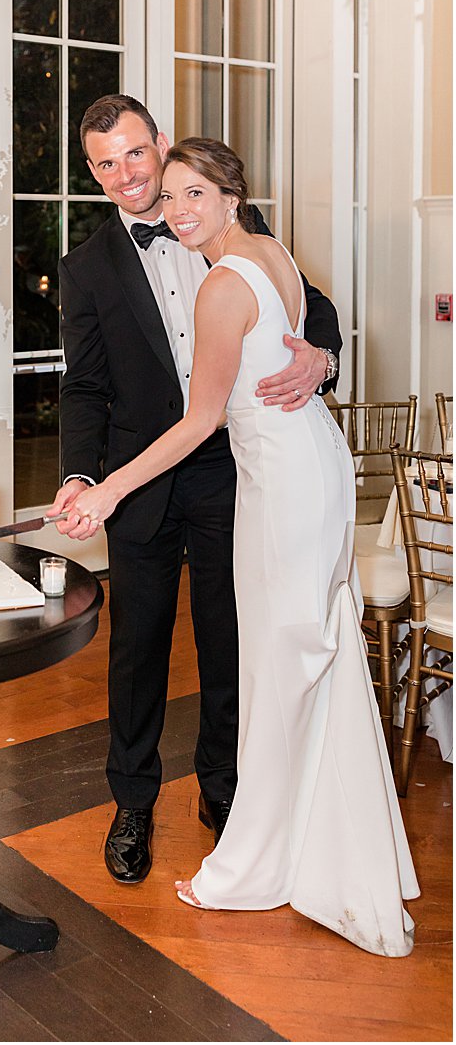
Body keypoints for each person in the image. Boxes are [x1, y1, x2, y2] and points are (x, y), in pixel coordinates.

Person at [58, 138, 417, 955]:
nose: (176, 207)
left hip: (262, 480)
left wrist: (107, 489)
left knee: (269, 659)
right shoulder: (268, 249)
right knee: (291, 651)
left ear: (229, 194)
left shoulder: (224, 279)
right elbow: (86, 384)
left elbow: (202, 416)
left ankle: (254, 853)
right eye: (170, 196)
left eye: (193, 194)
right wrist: (92, 469)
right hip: (307, 464)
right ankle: (234, 820)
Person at [50, 95, 343, 886]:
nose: (125, 176)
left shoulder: (233, 233)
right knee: (138, 651)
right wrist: (84, 476)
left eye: (135, 154)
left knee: (231, 639)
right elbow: (84, 389)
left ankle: (228, 794)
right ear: (94, 172)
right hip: (139, 479)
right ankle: (133, 805)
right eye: (105, 163)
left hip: (232, 472)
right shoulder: (86, 267)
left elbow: (315, 312)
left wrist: (322, 358)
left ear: (163, 146)